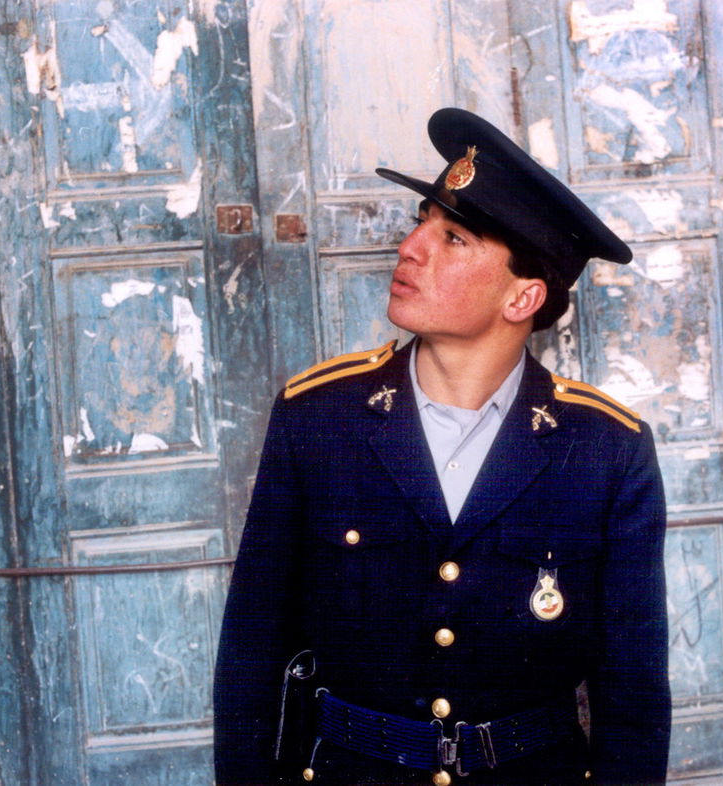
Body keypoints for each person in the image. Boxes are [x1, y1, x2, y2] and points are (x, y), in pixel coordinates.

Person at [213, 107, 670, 785]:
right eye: (420, 221)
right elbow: (252, 653)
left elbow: (632, 695)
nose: (411, 247)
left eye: (453, 238)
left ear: (522, 298)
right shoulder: (318, 417)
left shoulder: (605, 449)